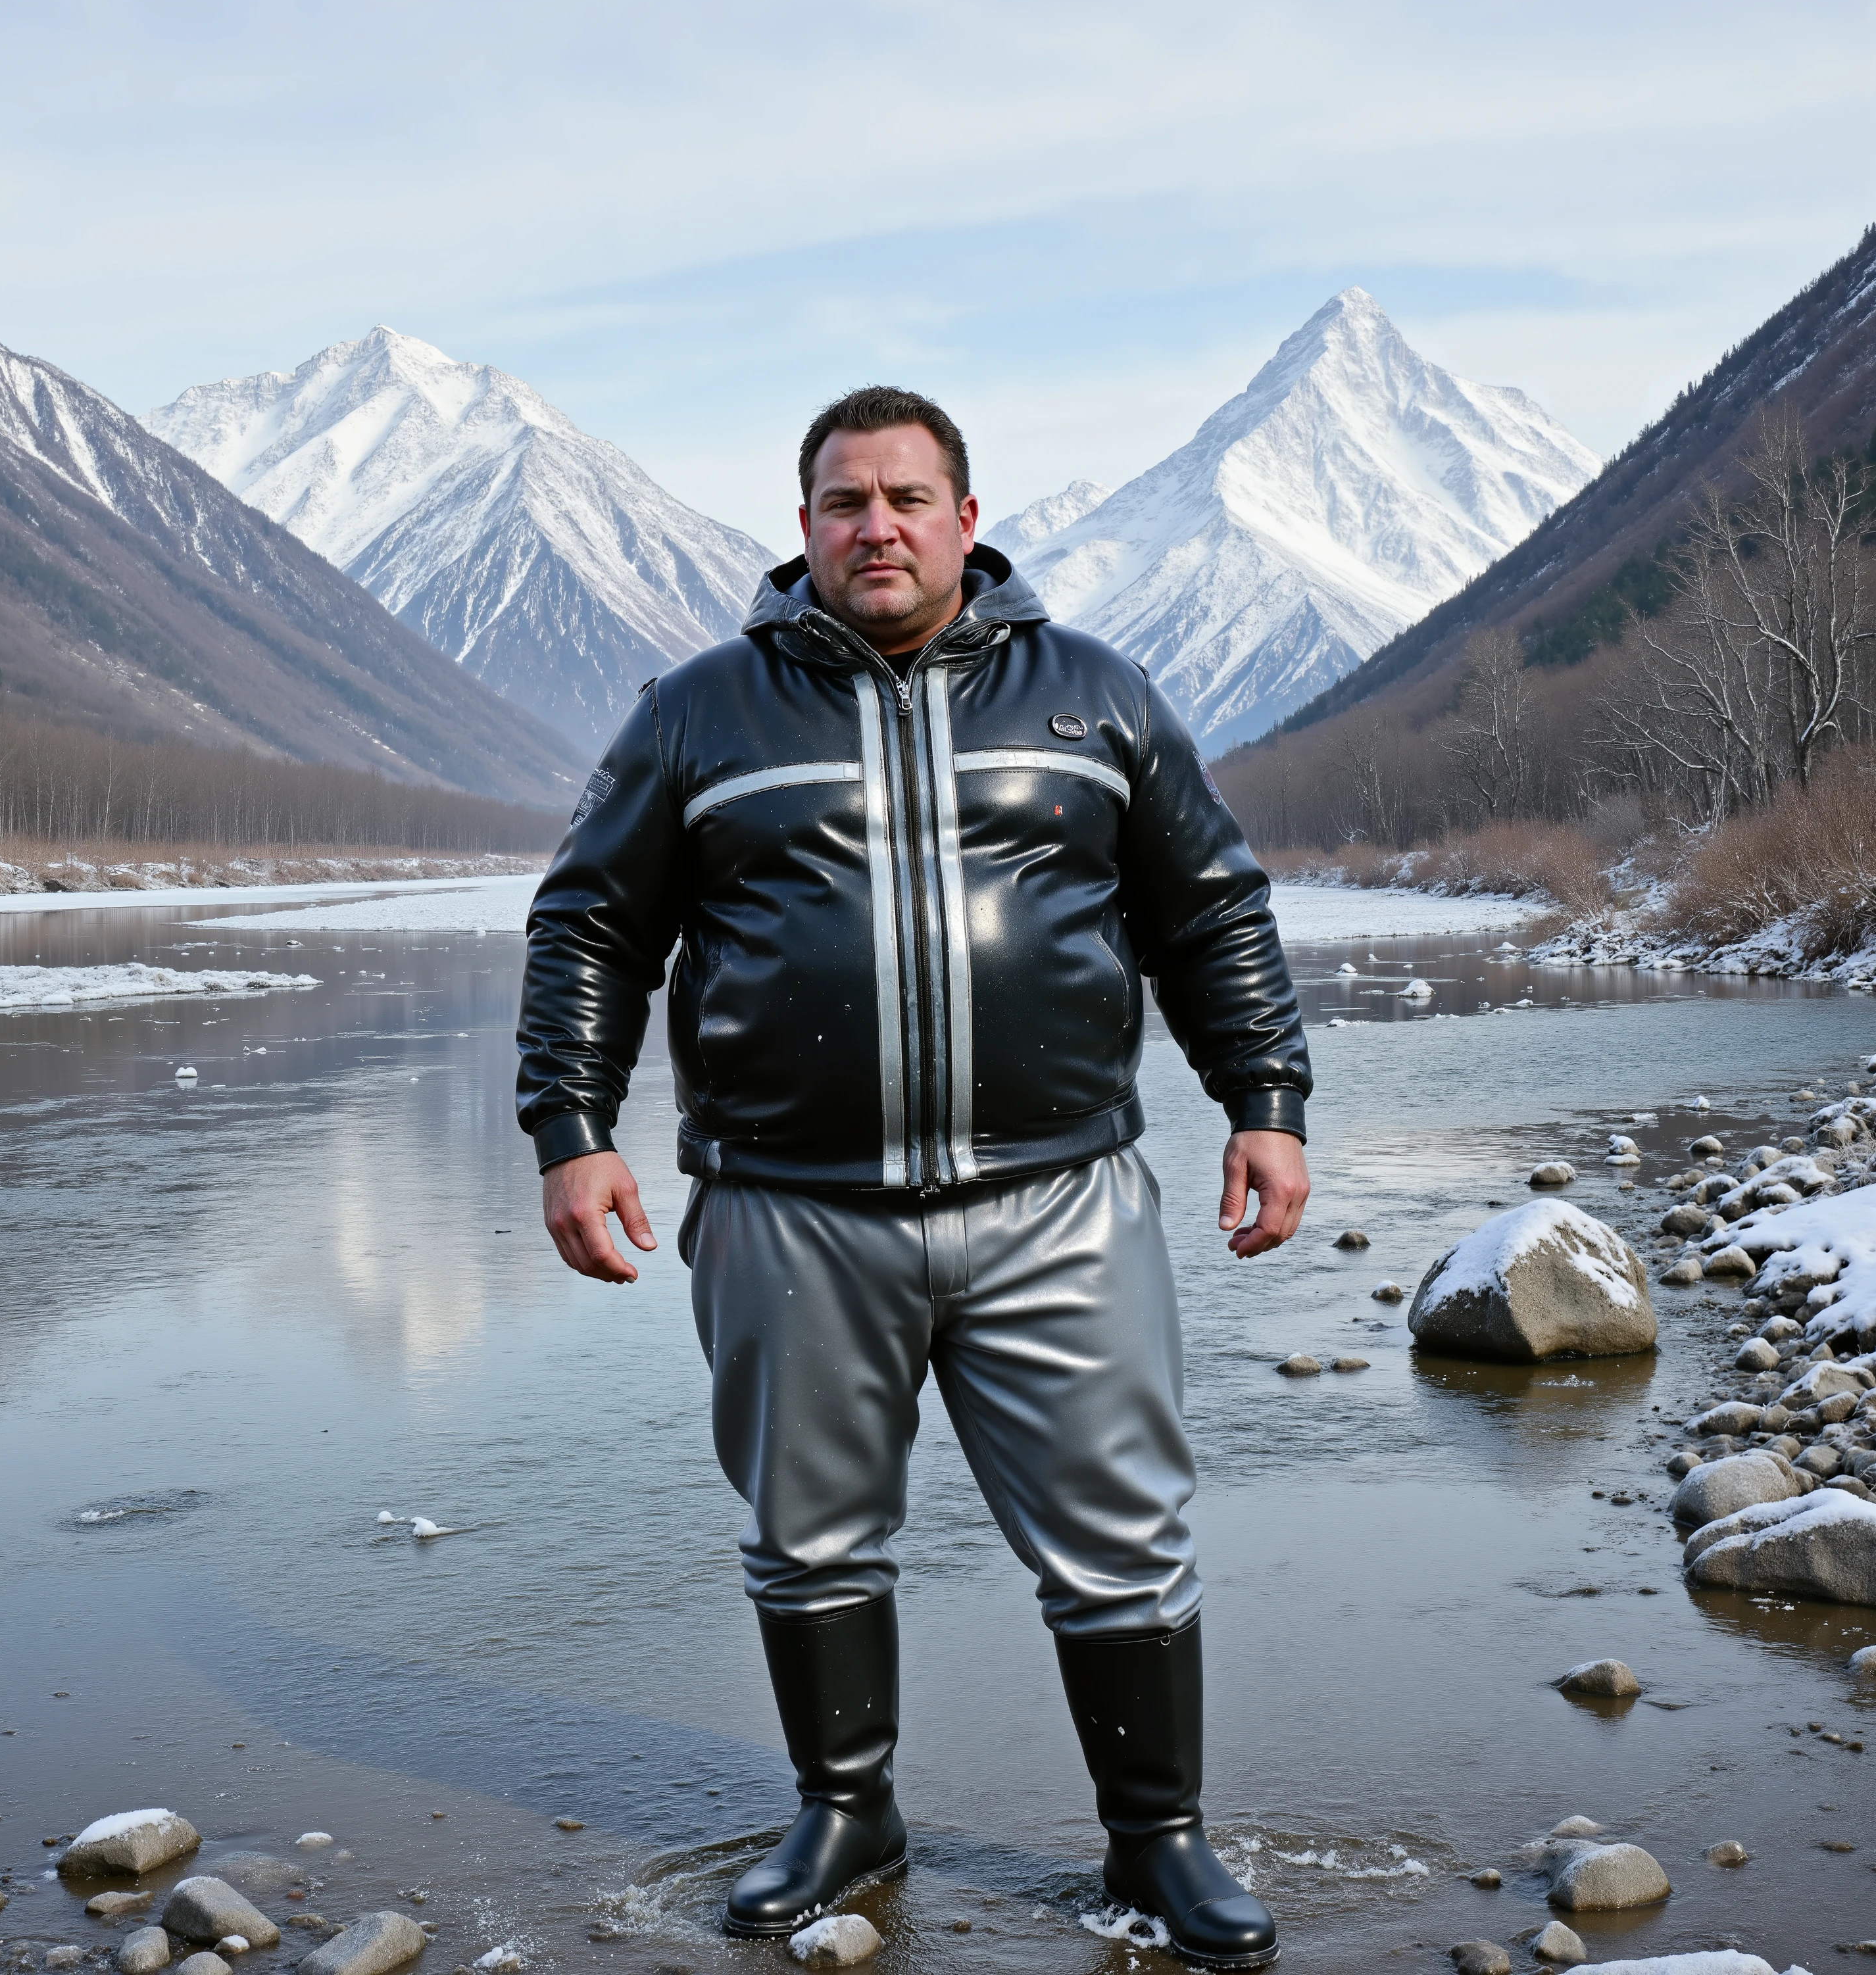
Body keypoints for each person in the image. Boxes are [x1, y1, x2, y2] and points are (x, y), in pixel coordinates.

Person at [518, 385, 1311, 1969]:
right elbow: (592, 925)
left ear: (967, 518)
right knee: (808, 1538)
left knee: (1123, 1536)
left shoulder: (1096, 695)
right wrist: (573, 1131)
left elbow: (1210, 910)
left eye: (904, 497)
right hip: (787, 1206)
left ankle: (1158, 1843)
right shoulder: (699, 713)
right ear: (802, 528)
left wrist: (1265, 1096)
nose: (873, 525)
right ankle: (846, 1812)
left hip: (1059, 1199)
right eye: (841, 501)